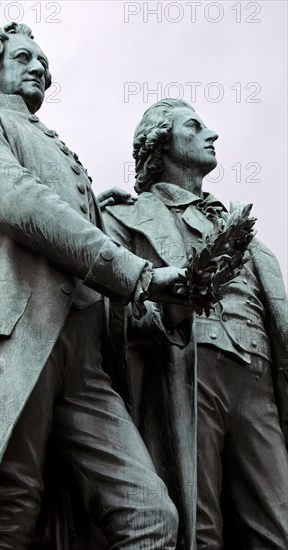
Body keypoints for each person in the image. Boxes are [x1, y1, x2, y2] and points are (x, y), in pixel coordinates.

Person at [0, 25, 185, 550]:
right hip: (7, 340)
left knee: (153, 517)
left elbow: (77, 253)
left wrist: (147, 307)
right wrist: (136, 274)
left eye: (44, 60)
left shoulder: (61, 151)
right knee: (8, 509)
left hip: (84, 361)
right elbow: (23, 205)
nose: (40, 66)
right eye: (24, 56)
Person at [103, 98, 288, 549]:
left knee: (276, 525)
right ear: (161, 142)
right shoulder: (122, 217)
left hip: (257, 377)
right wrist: (173, 311)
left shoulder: (241, 228)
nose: (212, 134)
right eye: (195, 126)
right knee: (198, 527)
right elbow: (108, 311)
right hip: (186, 369)